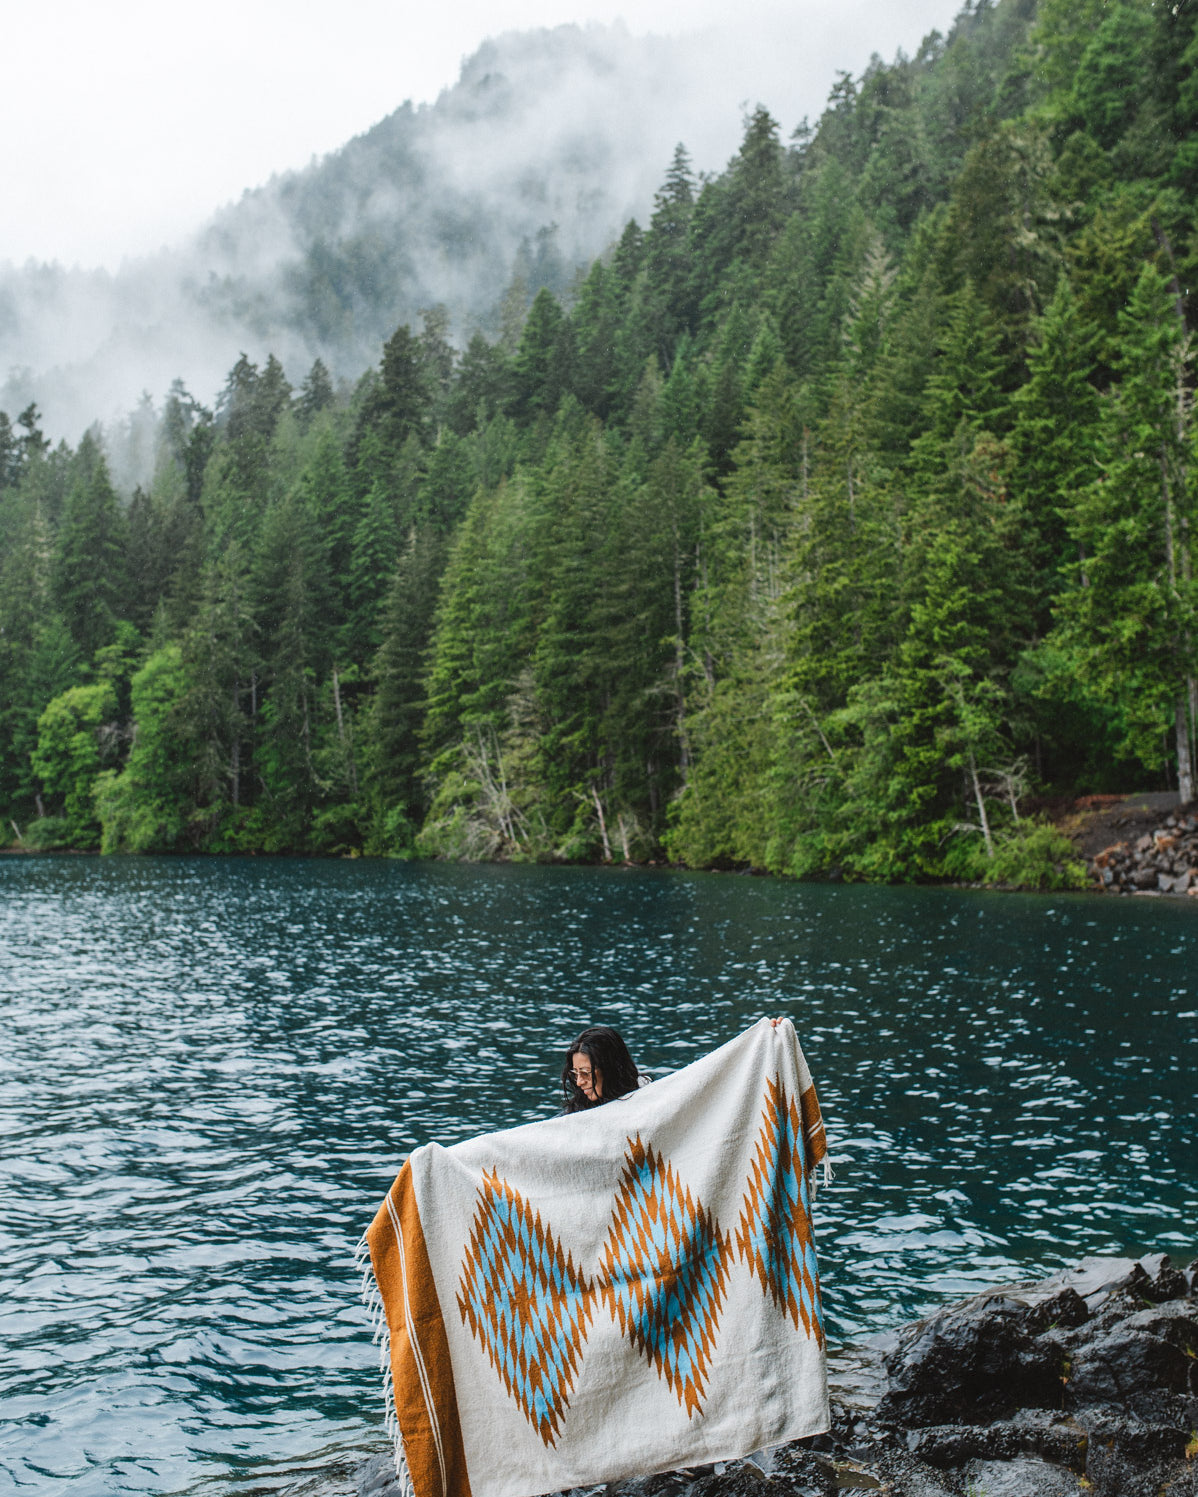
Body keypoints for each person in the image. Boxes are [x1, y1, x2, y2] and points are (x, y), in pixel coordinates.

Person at [560, 1025, 643, 1113]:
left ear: (609, 1068)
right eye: (575, 1074)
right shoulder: (573, 1115)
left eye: (585, 1073)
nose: (579, 1082)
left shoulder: (649, 1100)